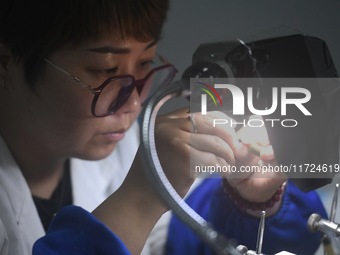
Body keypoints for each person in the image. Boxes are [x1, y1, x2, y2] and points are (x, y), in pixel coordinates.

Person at [0, 1, 327, 255]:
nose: (133, 103)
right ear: (6, 64)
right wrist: (142, 196)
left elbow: (180, 241)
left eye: (145, 64)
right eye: (104, 70)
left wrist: (250, 197)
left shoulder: (123, 146)